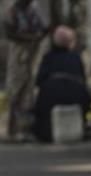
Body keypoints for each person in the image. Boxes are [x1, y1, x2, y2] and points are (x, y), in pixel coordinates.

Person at [31, 26, 91, 143]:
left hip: (51, 99)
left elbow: (39, 81)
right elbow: (83, 80)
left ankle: (42, 131)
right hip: (75, 98)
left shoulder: (48, 57)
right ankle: (83, 126)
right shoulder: (76, 57)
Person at [3, 0, 47, 141]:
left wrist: (40, 35)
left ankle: (25, 129)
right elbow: (9, 32)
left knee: (28, 91)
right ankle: (11, 130)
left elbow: (41, 28)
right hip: (18, 52)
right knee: (15, 89)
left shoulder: (33, 10)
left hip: (32, 52)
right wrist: (28, 37)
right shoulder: (12, 11)